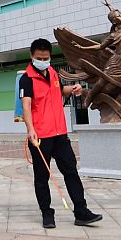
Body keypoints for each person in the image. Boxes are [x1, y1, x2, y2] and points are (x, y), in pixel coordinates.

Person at [20, 38, 102, 229]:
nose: (42, 60)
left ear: (50, 56)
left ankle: (81, 212)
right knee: (42, 177)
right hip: (40, 136)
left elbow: (58, 91)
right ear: (32, 56)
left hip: (60, 134)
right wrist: (30, 129)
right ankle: (47, 214)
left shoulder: (53, 73)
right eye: (39, 57)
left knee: (71, 171)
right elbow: (26, 105)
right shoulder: (27, 78)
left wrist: (73, 89)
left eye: (46, 57)